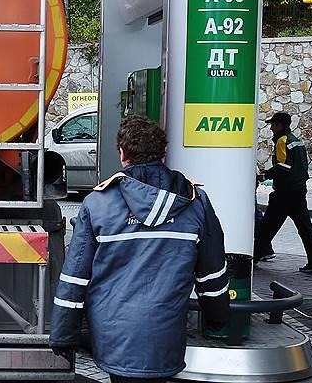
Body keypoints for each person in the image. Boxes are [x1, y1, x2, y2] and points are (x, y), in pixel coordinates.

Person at [49, 116, 229, 383]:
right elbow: (212, 270)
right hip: (166, 332)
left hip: (113, 334)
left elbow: (75, 276)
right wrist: (217, 317)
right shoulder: (195, 201)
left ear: (123, 153)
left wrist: (63, 335)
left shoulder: (97, 203)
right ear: (163, 152)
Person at [254, 112, 312, 273]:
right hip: (298, 191)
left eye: (273, 125)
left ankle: (253, 258)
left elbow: (284, 167)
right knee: (305, 228)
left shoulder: (282, 141)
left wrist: (265, 175)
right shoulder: (296, 141)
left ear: (280, 125)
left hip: (284, 193)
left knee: (267, 227)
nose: (272, 128)